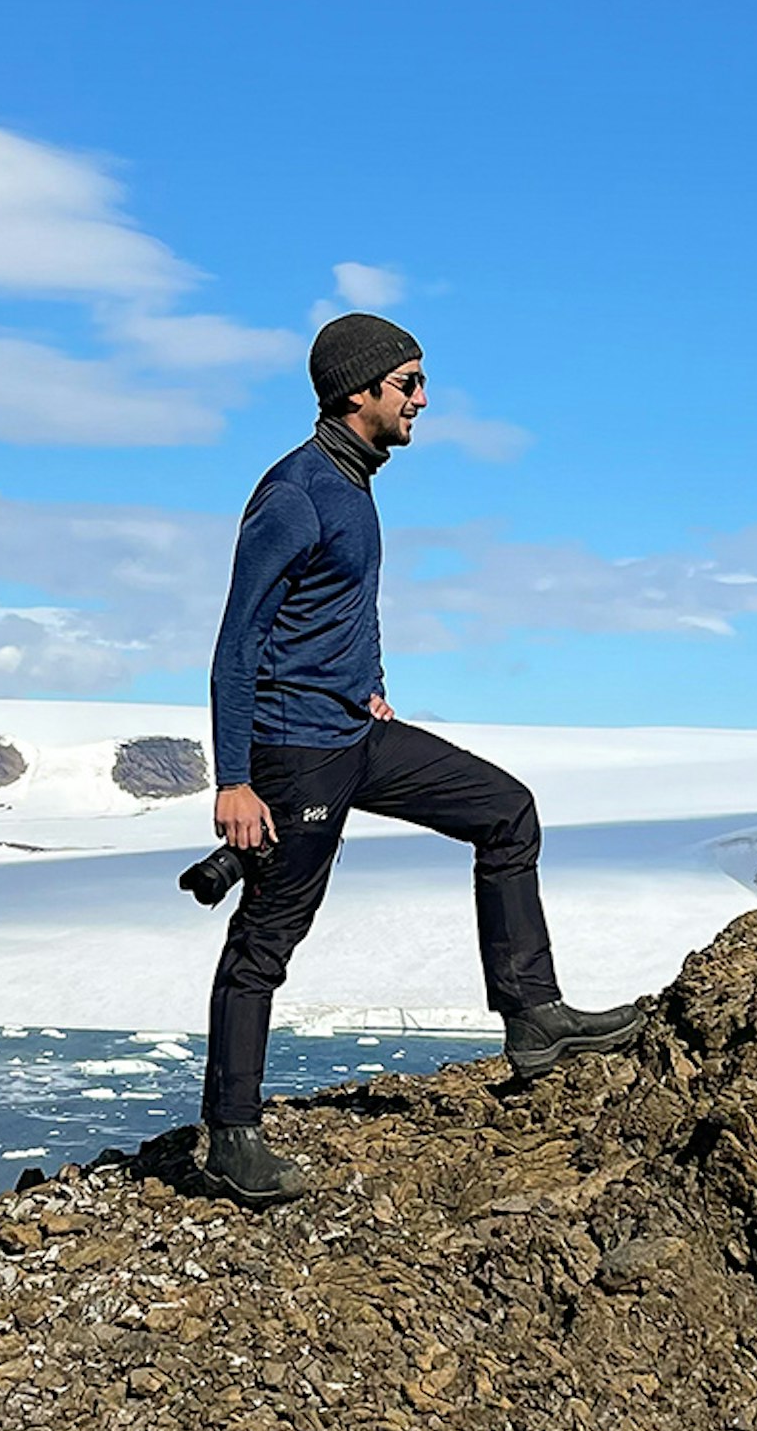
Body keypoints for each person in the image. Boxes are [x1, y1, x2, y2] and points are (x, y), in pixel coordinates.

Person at [195, 314, 649, 1206]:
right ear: (358, 390)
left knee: (506, 810)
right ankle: (232, 1134)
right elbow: (236, 642)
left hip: (359, 732)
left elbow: (338, 606)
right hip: (298, 754)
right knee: (267, 940)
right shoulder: (294, 494)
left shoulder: (354, 482)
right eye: (409, 383)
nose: (424, 399)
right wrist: (235, 779)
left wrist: (370, 682)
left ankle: (533, 1019)